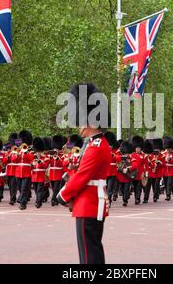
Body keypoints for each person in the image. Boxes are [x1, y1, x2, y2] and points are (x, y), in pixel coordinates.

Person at [57, 82, 111, 264]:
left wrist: (63, 195)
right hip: (89, 202)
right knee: (92, 253)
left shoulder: (96, 147)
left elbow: (83, 176)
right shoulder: (95, 144)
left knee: (89, 257)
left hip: (89, 203)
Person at [13, 130, 34, 210]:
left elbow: (31, 159)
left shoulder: (30, 152)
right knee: (20, 188)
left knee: (24, 188)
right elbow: (13, 159)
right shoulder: (17, 151)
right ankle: (22, 199)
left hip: (26, 173)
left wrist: (26, 152)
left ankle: (23, 204)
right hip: (18, 173)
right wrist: (18, 153)